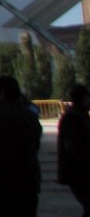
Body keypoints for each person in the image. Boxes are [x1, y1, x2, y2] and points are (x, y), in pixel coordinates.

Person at [0, 74, 42, 217]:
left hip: (1, 176)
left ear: (2, 93)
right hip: (27, 175)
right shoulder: (29, 115)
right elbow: (36, 141)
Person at [58, 83, 90, 216]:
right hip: (79, 172)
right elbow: (70, 145)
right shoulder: (72, 117)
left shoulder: (80, 115)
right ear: (82, 99)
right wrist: (84, 163)